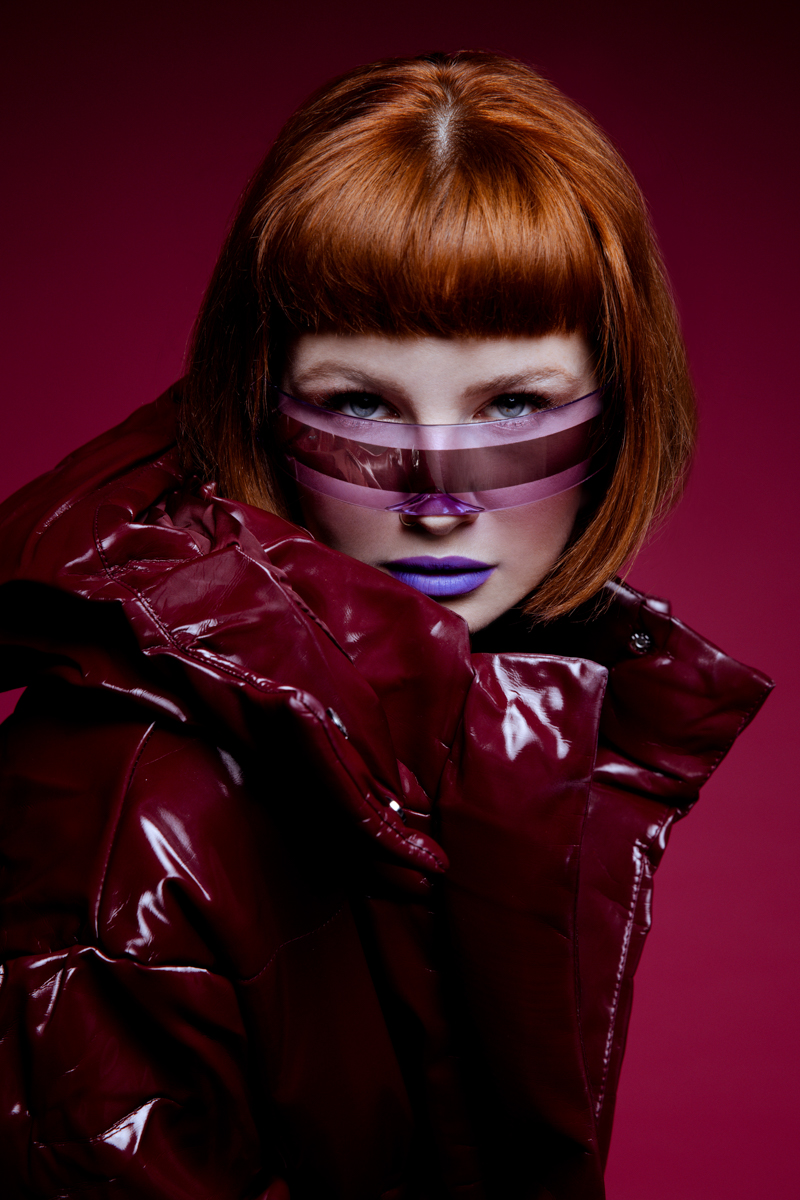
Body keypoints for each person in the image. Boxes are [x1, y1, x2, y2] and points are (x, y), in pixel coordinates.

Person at [0, 51, 772, 1200]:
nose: (438, 494)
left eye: (514, 405)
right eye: (359, 402)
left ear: (618, 410)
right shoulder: (136, 815)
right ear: (260, 406)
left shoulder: (455, 718)